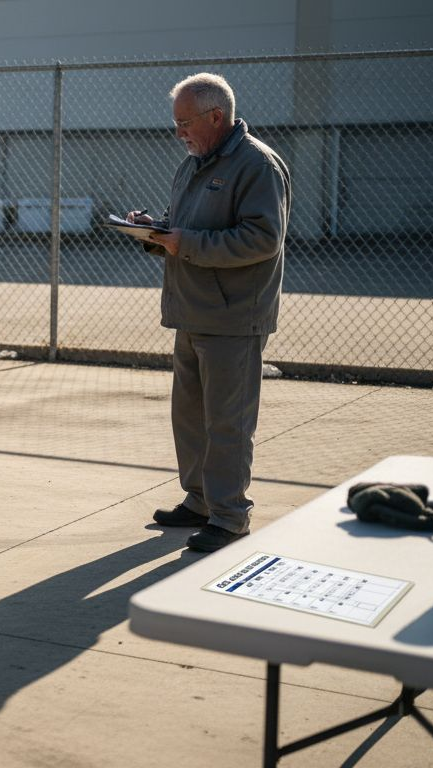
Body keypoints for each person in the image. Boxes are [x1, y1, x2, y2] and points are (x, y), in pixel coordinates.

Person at [129, 73, 291, 553]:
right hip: (191, 311)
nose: (179, 132)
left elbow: (262, 239)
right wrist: (156, 233)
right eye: (176, 123)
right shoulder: (193, 164)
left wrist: (186, 243)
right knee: (190, 418)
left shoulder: (257, 165)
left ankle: (230, 515)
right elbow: (186, 230)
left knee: (227, 423)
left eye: (185, 123)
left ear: (216, 116)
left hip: (233, 317)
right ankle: (200, 501)